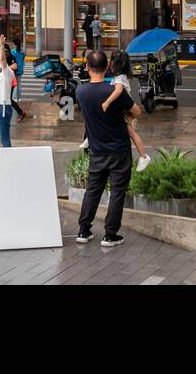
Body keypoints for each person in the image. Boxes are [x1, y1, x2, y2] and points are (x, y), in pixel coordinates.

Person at [75, 49, 141, 247]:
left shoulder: (80, 91)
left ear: (87, 68)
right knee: (117, 191)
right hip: (119, 149)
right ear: (107, 68)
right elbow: (136, 111)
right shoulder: (112, 90)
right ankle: (110, 235)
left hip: (96, 150)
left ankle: (83, 230)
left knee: (92, 190)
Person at [88, 51, 151, 170]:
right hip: (124, 110)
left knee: (131, 133)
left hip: (126, 112)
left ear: (112, 64)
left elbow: (118, 91)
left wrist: (106, 103)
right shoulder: (120, 77)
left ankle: (144, 156)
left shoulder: (120, 79)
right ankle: (88, 138)